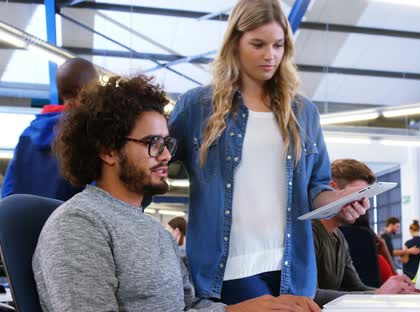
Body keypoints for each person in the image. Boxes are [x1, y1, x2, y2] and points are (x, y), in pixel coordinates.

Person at [33, 75, 318, 312]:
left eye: (166, 142)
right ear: (108, 150)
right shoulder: (78, 225)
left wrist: (245, 308)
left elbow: (187, 305)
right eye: (153, 143)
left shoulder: (152, 230)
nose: (167, 155)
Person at [168, 0, 368, 304]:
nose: (269, 55)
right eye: (258, 44)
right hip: (230, 269)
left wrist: (340, 202)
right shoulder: (197, 107)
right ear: (235, 42)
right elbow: (152, 165)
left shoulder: (304, 113)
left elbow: (318, 187)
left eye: (278, 45)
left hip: (293, 269)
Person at [313, 159, 420, 307]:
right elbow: (310, 295)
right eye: (357, 194)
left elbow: (356, 287)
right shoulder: (310, 233)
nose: (364, 204)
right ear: (332, 189)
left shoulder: (338, 236)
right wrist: (378, 295)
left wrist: (396, 295)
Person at [1, 57, 99, 201]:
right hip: (70, 222)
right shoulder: (89, 136)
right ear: (90, 90)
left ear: (61, 93)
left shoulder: (27, 136)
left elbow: (7, 195)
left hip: (25, 222)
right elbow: (97, 198)